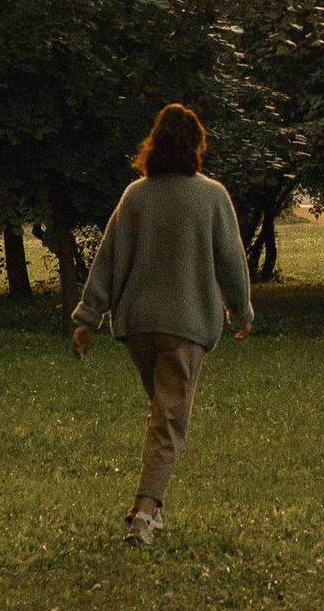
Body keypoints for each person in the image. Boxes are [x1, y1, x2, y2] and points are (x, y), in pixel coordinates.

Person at [69, 102, 255, 546]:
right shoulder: (212, 196)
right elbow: (231, 261)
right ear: (196, 147)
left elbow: (108, 258)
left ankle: (144, 506)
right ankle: (145, 516)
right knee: (171, 422)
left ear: (153, 145)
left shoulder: (136, 196)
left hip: (139, 328)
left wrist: (88, 317)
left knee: (161, 413)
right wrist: (241, 312)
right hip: (184, 327)